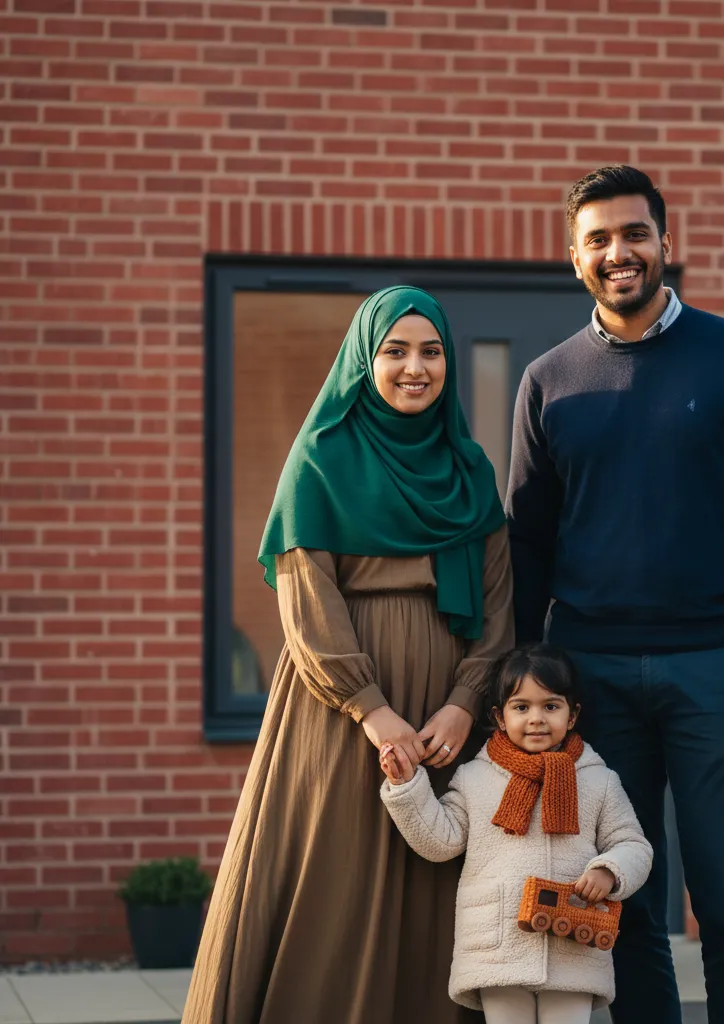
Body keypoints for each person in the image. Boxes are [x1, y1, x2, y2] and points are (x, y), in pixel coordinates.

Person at [505, 166, 724, 1024]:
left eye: (635, 234)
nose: (620, 253)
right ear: (574, 258)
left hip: (719, 669)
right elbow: (526, 546)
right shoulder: (548, 380)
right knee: (623, 908)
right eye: (599, 239)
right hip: (593, 677)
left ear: (665, 244)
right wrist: (521, 687)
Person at [181, 286, 513, 1024]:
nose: (414, 368)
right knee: (330, 884)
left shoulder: (470, 473)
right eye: (395, 351)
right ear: (365, 360)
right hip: (339, 715)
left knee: (433, 890)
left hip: (444, 719)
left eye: (430, 352)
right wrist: (371, 710)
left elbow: (498, 608)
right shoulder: (320, 460)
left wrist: (465, 702)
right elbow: (308, 603)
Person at [379, 643, 653, 1024]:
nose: (536, 718)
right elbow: (441, 842)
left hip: (572, 942)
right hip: (498, 944)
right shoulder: (475, 778)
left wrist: (609, 870)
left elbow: (633, 843)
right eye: (521, 707)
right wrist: (406, 785)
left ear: (573, 716)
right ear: (499, 716)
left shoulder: (599, 781)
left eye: (551, 706)